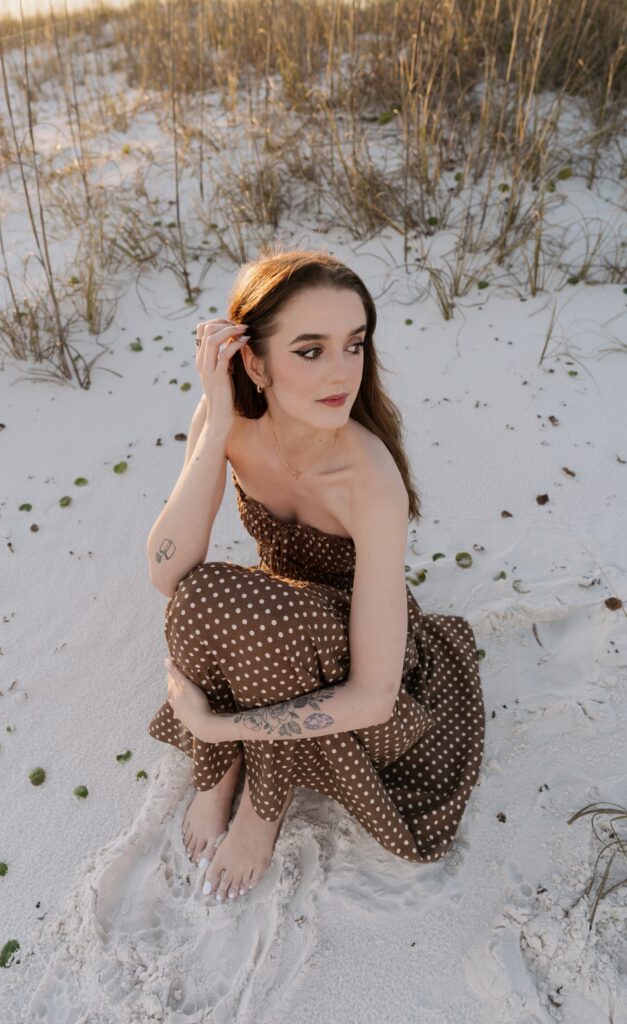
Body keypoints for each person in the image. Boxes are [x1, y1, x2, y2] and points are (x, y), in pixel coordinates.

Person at [146, 247, 485, 903]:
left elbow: (372, 698)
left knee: (264, 623)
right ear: (253, 360)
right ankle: (218, 778)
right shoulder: (231, 425)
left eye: (353, 345)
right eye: (310, 350)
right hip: (285, 614)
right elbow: (168, 572)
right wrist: (214, 426)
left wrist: (221, 726)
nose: (342, 374)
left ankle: (261, 808)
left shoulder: (368, 478)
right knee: (197, 597)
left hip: (354, 642)